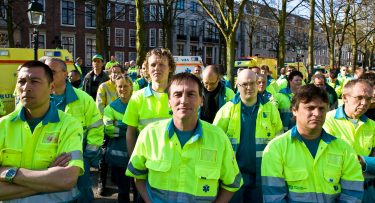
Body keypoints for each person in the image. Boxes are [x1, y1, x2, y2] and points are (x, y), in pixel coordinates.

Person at [126, 72, 243, 202]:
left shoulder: (219, 139)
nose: (184, 100)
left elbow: (231, 184)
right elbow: (138, 176)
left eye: (191, 94)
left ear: (201, 100)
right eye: (177, 94)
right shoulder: (150, 135)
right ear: (169, 101)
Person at [262, 84, 364, 202]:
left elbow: (353, 195)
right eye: (310, 108)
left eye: (322, 108)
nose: (317, 113)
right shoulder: (275, 149)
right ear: (294, 110)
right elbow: (274, 198)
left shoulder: (345, 150)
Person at [0, 61, 84, 202]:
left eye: (34, 81)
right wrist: (48, 176)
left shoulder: (69, 125)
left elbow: (67, 178)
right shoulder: (3, 125)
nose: (26, 87)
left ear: (51, 88)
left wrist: (10, 173)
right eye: (21, 81)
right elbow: (59, 180)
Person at [213, 69, 282, 202]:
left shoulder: (271, 109)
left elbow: (279, 140)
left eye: (252, 83)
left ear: (258, 84)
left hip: (261, 175)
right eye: (245, 84)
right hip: (233, 175)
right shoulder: (227, 110)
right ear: (237, 86)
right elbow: (214, 141)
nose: (249, 87)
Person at [45, 58, 104, 203]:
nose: (48, 75)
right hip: (45, 160)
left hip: (78, 159)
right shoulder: (39, 98)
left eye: (52, 72)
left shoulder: (83, 99)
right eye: (46, 72)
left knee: (82, 194)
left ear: (65, 74)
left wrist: (88, 156)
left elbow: (96, 126)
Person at [323, 79, 375, 202]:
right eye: (360, 97)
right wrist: (368, 161)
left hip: (367, 193)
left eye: (368, 99)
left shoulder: (372, 125)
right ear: (345, 97)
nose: (364, 103)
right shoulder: (327, 120)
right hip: (339, 193)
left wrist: (362, 160)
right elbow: (328, 158)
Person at [123, 48, 175, 158]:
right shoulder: (137, 98)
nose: (157, 68)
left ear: (170, 68)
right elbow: (130, 133)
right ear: (147, 68)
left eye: (162, 64)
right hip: (146, 160)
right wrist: (134, 162)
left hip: (173, 160)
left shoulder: (179, 97)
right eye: (153, 65)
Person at [103, 75, 133, 203]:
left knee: (139, 190)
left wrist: (118, 123)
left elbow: (143, 127)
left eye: (125, 86)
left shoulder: (138, 104)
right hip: (119, 157)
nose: (123, 89)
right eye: (120, 86)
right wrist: (131, 126)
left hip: (137, 154)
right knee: (123, 191)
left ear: (131, 87)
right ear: (116, 88)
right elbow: (109, 130)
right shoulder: (110, 108)